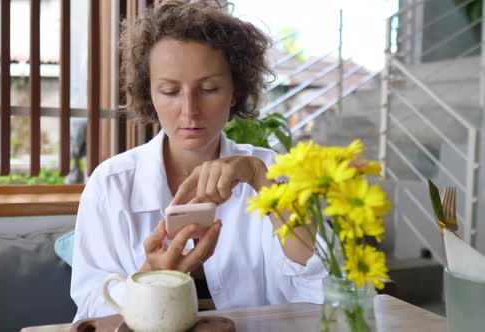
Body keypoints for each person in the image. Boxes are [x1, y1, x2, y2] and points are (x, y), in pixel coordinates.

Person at [71, 0, 326, 320]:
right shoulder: (111, 184)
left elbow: (323, 292)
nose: (189, 110)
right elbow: (90, 308)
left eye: (208, 89)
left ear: (235, 91)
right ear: (149, 92)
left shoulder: (274, 173)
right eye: (169, 91)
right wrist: (148, 277)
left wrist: (258, 176)